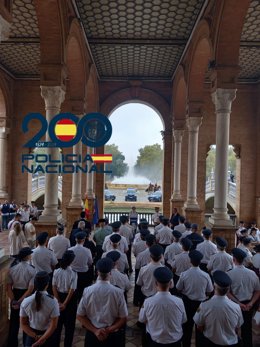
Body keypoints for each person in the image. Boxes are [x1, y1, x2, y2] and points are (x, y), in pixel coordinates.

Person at [77, 258, 128, 347]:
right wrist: (108, 330)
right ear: (110, 273)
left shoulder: (88, 291)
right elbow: (123, 317)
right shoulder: (118, 292)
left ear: (97, 273)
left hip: (93, 334)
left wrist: (96, 330)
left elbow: (80, 315)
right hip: (112, 335)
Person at [194, 270, 244, 347]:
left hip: (210, 342)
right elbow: (237, 327)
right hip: (231, 343)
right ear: (228, 290)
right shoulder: (236, 307)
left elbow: (199, 326)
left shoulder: (204, 305)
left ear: (214, 287)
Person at [139, 267, 187, 347]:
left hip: (155, 341)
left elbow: (142, 319)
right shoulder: (179, 301)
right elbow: (183, 320)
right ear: (171, 283)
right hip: (174, 342)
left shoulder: (148, 301)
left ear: (156, 283)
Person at [176, 250, 213, 347]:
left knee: (187, 327)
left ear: (190, 261)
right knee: (200, 327)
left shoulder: (184, 274)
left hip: (187, 302)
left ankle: (186, 345)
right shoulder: (206, 275)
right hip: (200, 304)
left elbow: (178, 288)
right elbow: (209, 291)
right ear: (200, 262)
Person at [227, 248, 260, 347]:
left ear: (234, 259)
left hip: (234, 304)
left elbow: (228, 292)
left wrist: (238, 303)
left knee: (233, 328)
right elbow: (258, 291)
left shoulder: (229, 274)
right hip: (248, 305)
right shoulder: (252, 273)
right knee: (247, 328)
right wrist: (251, 303)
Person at [20, 271, 60, 346]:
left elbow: (23, 324)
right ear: (47, 284)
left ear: (35, 284)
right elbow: (53, 325)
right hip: (48, 335)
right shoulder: (53, 301)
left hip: (31, 335)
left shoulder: (26, 301)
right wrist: (42, 339)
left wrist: (36, 336)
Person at [7, 247, 36, 347]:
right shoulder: (32, 270)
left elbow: (8, 288)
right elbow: (30, 289)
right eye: (30, 254)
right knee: (26, 321)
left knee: (14, 322)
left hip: (15, 293)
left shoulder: (12, 269)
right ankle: (26, 343)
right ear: (27, 257)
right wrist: (20, 302)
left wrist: (14, 301)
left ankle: (12, 343)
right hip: (26, 296)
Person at [52, 250, 78, 347]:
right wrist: (65, 304)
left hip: (58, 297)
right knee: (69, 327)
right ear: (71, 261)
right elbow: (72, 290)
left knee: (57, 326)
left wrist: (58, 302)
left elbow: (53, 286)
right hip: (69, 300)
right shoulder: (73, 273)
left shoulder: (56, 271)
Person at [69, 231, 93, 301]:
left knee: (73, 291)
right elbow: (90, 263)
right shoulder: (87, 250)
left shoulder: (70, 250)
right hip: (84, 274)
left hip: (72, 273)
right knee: (83, 292)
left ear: (75, 240)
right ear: (83, 240)